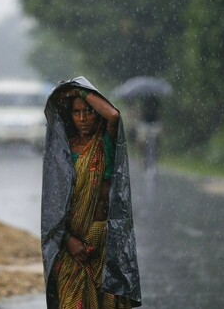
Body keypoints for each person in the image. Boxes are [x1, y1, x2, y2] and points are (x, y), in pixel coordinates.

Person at [41, 76, 142, 308]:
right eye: (76, 112)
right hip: (70, 247)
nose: (83, 118)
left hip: (101, 243)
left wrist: (79, 91)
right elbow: (53, 207)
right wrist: (68, 240)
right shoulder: (62, 152)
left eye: (88, 111)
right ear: (69, 116)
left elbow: (114, 115)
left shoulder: (104, 143)